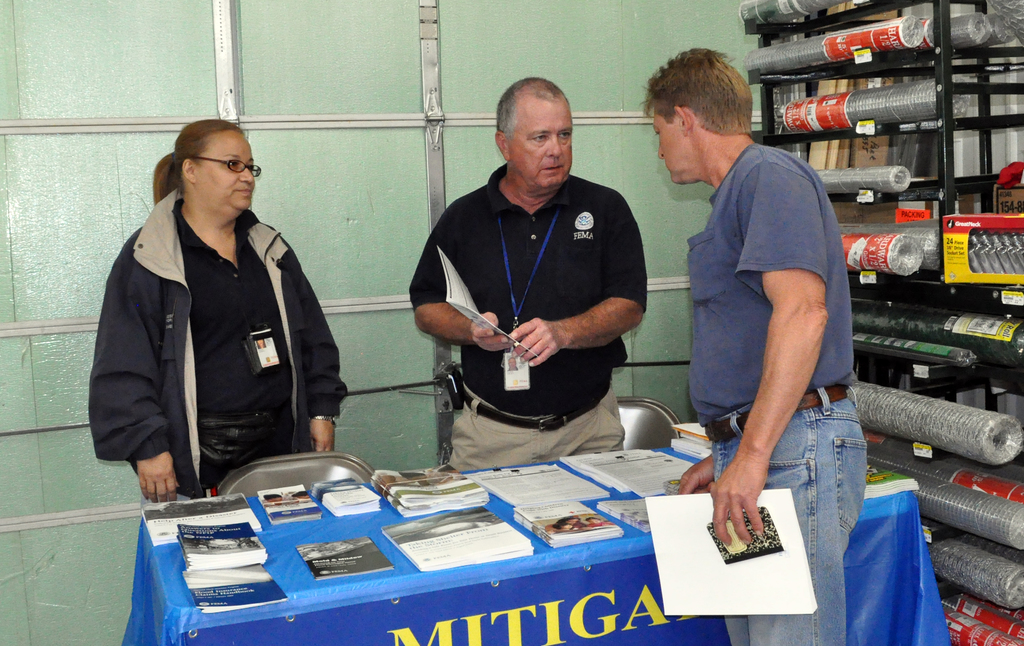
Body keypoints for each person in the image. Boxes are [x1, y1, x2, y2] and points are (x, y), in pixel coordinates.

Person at [644, 50, 866, 646]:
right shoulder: (737, 195)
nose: (660, 149)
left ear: (685, 118)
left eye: (659, 131)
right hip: (764, 452)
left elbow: (802, 315)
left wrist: (757, 453)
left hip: (796, 452)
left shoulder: (770, 178)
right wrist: (727, 452)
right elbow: (750, 341)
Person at [89, 119, 347, 502]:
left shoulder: (269, 248)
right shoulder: (152, 258)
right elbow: (123, 361)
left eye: (250, 167)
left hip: (279, 456)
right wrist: (147, 445)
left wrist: (322, 411)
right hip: (193, 469)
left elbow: (312, 337)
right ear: (190, 170)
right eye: (232, 165)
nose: (246, 177)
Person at [410, 77, 647, 470]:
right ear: (504, 144)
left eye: (565, 135)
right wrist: (470, 330)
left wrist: (564, 332)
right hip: (490, 437)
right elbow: (427, 305)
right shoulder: (464, 219)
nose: (556, 150)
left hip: (589, 433)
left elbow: (630, 306)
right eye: (540, 138)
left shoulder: (605, 208)